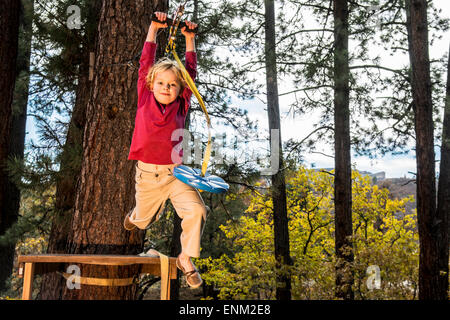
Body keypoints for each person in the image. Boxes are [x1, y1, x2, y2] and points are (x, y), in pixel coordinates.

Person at [125, 12, 206, 289]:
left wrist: (189, 38)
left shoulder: (182, 103)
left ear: (180, 88)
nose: (167, 88)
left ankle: (185, 259)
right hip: (148, 175)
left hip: (176, 174)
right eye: (161, 83)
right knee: (144, 221)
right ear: (151, 83)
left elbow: (190, 73)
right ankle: (135, 216)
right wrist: (153, 28)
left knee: (197, 211)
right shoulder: (145, 95)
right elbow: (146, 61)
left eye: (172, 84)